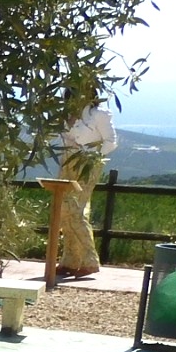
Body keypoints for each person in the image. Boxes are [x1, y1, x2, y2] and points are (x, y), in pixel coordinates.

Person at [56, 103, 117, 278]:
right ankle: (70, 260)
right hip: (67, 161)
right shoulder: (67, 113)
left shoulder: (99, 114)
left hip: (87, 163)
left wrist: (92, 156)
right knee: (64, 210)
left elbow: (111, 141)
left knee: (76, 210)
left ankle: (90, 260)